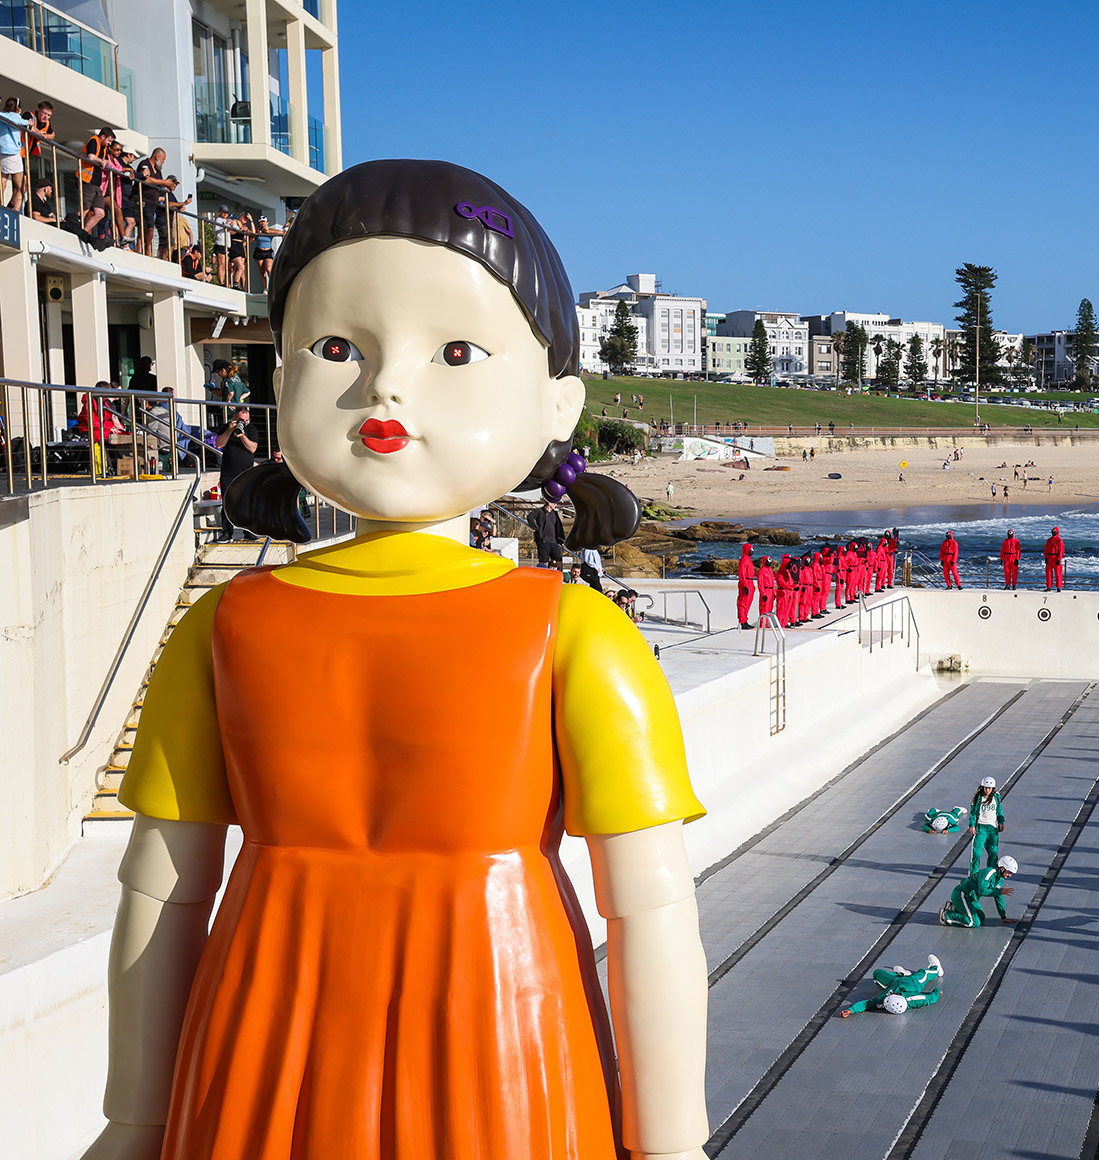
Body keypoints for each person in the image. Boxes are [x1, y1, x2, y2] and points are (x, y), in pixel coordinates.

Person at [95, 159, 708, 1160]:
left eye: (455, 350)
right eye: (336, 346)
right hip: (498, 1035)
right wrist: (670, 1138)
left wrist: (137, 1119)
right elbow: (649, 906)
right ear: (280, 374)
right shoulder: (572, 632)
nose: (384, 385)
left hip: (274, 1045)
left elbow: (161, 889)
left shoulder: (227, 625)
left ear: (559, 406)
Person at [839, 955, 944, 1018]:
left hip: (892, 982)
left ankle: (902, 973)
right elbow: (930, 998)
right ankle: (937, 969)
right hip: (913, 982)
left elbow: (866, 1004)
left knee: (877, 973)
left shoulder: (882, 1001)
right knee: (924, 973)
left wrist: (851, 1010)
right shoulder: (915, 999)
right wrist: (937, 991)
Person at [212, 407, 259, 540]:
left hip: (246, 473)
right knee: (228, 502)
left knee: (247, 502)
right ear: (234, 417)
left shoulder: (251, 429)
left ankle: (248, 531)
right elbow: (219, 444)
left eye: (245, 420)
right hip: (228, 472)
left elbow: (252, 448)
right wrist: (230, 430)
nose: (243, 422)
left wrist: (242, 435)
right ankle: (227, 532)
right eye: (240, 420)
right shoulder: (226, 428)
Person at [939, 855, 1018, 927]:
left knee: (981, 917)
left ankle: (954, 908)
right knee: (973, 923)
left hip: (971, 899)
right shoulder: (989, 873)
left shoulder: (999, 879)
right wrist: (1000, 891)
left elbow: (998, 897)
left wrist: (1003, 916)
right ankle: (946, 915)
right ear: (1002, 868)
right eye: (1009, 872)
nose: (1010, 875)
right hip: (962, 894)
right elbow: (982, 891)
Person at [0, 97, 32, 212]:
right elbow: (17, 121)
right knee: (20, 187)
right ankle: (17, 210)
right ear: (18, 108)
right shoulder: (16, 117)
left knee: (2, 182)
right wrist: (27, 122)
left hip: (2, 152)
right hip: (13, 153)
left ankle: (1, 205)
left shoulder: (1, 115)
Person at [967, 776, 1004, 870]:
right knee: (977, 853)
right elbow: (973, 813)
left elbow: (999, 810)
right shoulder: (977, 798)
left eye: (990, 788)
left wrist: (1001, 822)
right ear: (982, 787)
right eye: (986, 787)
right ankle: (973, 873)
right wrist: (972, 825)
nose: (988, 790)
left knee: (993, 851)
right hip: (981, 827)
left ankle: (990, 871)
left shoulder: (996, 796)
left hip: (992, 828)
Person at [532, 499, 565, 569]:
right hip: (544, 541)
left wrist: (561, 540)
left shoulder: (554, 513)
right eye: (555, 503)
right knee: (543, 561)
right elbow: (530, 518)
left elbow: (559, 527)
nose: (556, 505)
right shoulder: (539, 511)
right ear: (550, 503)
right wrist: (537, 529)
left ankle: (558, 576)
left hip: (553, 541)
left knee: (558, 558)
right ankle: (543, 576)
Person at [735, 541, 755, 628]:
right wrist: (745, 585)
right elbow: (742, 573)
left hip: (750, 582)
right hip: (746, 582)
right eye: (751, 549)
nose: (752, 551)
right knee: (743, 602)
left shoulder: (748, 559)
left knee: (748, 602)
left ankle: (745, 620)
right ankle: (742, 621)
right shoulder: (744, 560)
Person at [1043, 526, 1065, 591]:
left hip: (1056, 558)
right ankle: (1049, 587)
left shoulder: (1059, 541)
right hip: (1049, 558)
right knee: (1048, 573)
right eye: (1053, 532)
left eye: (1055, 532)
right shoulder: (1049, 540)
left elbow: (1061, 551)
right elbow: (1046, 549)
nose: (1053, 533)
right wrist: (1046, 557)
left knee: (1058, 573)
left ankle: (1058, 587)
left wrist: (1059, 559)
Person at [755, 555, 776, 623]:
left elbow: (773, 582)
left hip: (771, 591)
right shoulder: (761, 571)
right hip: (766, 590)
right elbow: (760, 583)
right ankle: (762, 624)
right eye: (767, 561)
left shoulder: (770, 570)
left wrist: (774, 592)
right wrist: (763, 594)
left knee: (770, 608)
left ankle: (766, 624)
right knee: (764, 608)